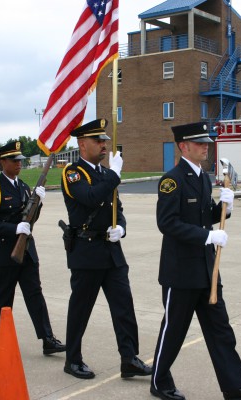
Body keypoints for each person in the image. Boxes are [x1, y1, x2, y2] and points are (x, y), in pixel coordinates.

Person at [151, 122, 241, 400]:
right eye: (200, 142)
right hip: (180, 271)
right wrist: (207, 236)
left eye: (207, 142)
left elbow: (204, 217)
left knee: (220, 330)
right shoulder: (172, 180)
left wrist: (225, 207)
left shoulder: (203, 178)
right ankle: (159, 381)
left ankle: (235, 386)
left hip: (207, 269)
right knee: (174, 331)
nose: (206, 146)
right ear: (184, 146)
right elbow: (167, 223)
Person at [60, 119, 151, 380]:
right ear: (82, 143)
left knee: (124, 306)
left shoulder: (104, 174)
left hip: (112, 251)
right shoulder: (73, 173)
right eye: (98, 141)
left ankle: (129, 358)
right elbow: (89, 198)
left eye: (104, 141)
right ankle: (73, 359)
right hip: (86, 252)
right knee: (81, 308)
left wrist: (121, 228)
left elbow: (116, 210)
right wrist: (114, 175)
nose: (103, 145)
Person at [0, 141, 65, 355]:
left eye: (20, 160)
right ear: (2, 162)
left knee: (35, 294)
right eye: (14, 160)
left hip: (26, 250)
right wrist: (14, 228)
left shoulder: (24, 187)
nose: (19, 164)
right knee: (3, 297)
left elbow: (30, 217)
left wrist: (39, 202)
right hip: (4, 251)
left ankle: (47, 339)